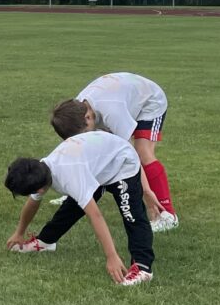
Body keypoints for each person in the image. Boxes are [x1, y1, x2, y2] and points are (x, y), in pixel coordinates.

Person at [4, 130, 155, 286]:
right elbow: (33, 202)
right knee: (73, 206)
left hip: (121, 163)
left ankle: (143, 267)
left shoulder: (70, 177)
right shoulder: (42, 168)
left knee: (131, 215)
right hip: (96, 166)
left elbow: (95, 215)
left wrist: (111, 257)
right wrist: (19, 232)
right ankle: (46, 242)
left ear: (40, 189)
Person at [51, 72, 177, 232]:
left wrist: (146, 192)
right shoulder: (75, 109)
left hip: (150, 101)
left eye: (85, 132)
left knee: (142, 152)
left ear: (88, 117)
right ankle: (78, 193)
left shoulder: (113, 113)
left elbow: (128, 154)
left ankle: (168, 215)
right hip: (122, 96)